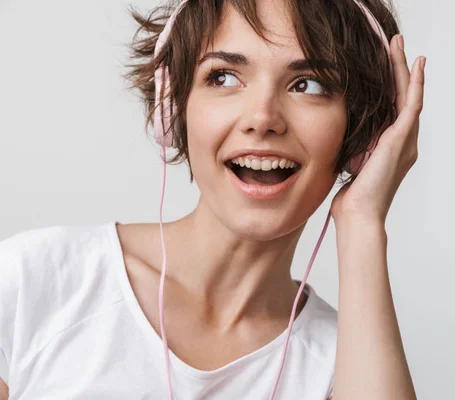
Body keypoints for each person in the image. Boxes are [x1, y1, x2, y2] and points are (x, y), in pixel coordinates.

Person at [0, 0, 425, 398]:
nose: (262, 118)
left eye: (308, 84)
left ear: (363, 134)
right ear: (173, 106)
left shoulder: (349, 362)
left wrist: (363, 219)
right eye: (223, 77)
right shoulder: (36, 282)